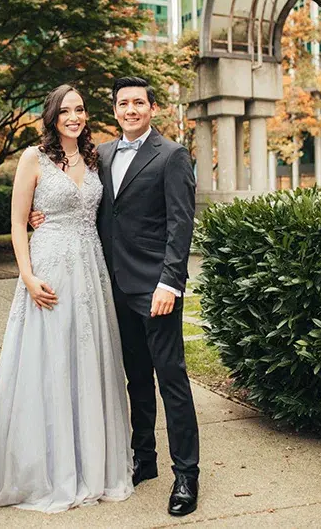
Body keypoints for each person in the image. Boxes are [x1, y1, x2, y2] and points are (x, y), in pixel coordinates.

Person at [30, 76, 199, 517]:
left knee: (172, 382)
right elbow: (82, 204)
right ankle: (145, 459)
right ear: (115, 110)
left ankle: (187, 476)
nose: (130, 110)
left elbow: (181, 225)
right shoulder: (99, 154)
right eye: (123, 103)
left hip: (156, 289)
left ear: (153, 108)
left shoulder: (173, 155)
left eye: (138, 102)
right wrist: (38, 217)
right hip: (110, 287)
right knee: (136, 381)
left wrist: (171, 282)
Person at [0, 84, 133, 513]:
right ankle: (45, 468)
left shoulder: (97, 158)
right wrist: (26, 275)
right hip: (49, 269)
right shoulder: (32, 158)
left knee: (88, 362)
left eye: (79, 110)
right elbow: (18, 222)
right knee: (49, 362)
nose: (74, 117)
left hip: (90, 271)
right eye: (65, 111)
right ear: (52, 116)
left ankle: (89, 463)